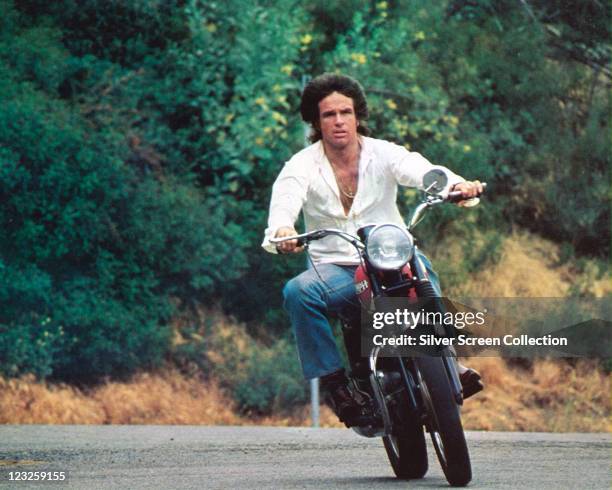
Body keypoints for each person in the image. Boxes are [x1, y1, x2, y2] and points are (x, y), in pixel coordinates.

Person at [262, 73, 483, 427]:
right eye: (329, 114)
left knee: (420, 267)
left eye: (345, 112)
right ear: (316, 122)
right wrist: (283, 230)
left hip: (391, 257)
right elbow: (284, 203)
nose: (338, 121)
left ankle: (446, 359)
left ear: (358, 115)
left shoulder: (384, 153)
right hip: (337, 270)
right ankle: (338, 387)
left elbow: (422, 171)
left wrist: (457, 186)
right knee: (298, 292)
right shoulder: (301, 166)